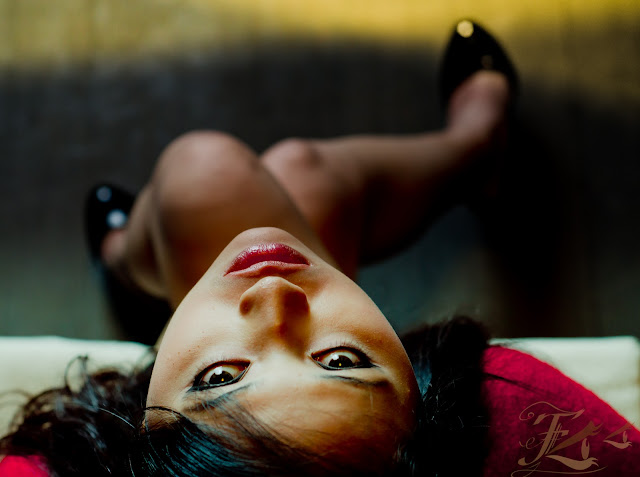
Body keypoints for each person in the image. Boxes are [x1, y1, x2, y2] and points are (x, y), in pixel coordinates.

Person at [1, 21, 638, 476]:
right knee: (289, 177)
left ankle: (126, 266)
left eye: (219, 379)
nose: (275, 294)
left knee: (218, 177)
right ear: (427, 406)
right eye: (341, 361)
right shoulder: (504, 415)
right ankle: (476, 149)